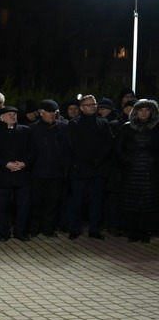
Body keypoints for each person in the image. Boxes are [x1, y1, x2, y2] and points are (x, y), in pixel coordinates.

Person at [65, 95, 113, 240]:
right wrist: (90, 159)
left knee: (96, 201)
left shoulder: (103, 122)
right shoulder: (74, 124)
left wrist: (100, 159)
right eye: (89, 105)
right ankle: (75, 228)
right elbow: (74, 146)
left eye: (94, 104)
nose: (92, 107)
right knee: (77, 201)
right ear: (81, 108)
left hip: (98, 169)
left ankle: (94, 229)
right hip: (80, 169)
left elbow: (109, 143)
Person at [0, 107, 37, 242]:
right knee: (1, 206)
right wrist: (5, 164)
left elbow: (33, 151)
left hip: (22, 175)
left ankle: (20, 232)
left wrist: (23, 163)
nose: (12, 116)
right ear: (2, 117)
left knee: (23, 206)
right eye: (9, 114)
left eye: (14, 114)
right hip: (2, 175)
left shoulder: (26, 131)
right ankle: (3, 232)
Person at [115, 99, 159, 242]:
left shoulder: (157, 128)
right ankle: (133, 231)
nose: (144, 113)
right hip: (131, 171)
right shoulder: (127, 128)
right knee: (131, 202)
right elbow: (119, 149)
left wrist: (154, 161)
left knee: (148, 203)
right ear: (136, 112)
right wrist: (127, 161)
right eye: (140, 110)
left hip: (151, 171)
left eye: (147, 110)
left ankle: (145, 231)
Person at [28, 100, 68, 238]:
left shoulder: (63, 127)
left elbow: (66, 150)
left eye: (54, 112)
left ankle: (48, 228)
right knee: (35, 202)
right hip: (37, 172)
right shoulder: (32, 128)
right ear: (41, 112)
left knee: (52, 202)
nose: (52, 115)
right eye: (49, 112)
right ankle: (34, 228)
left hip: (56, 172)